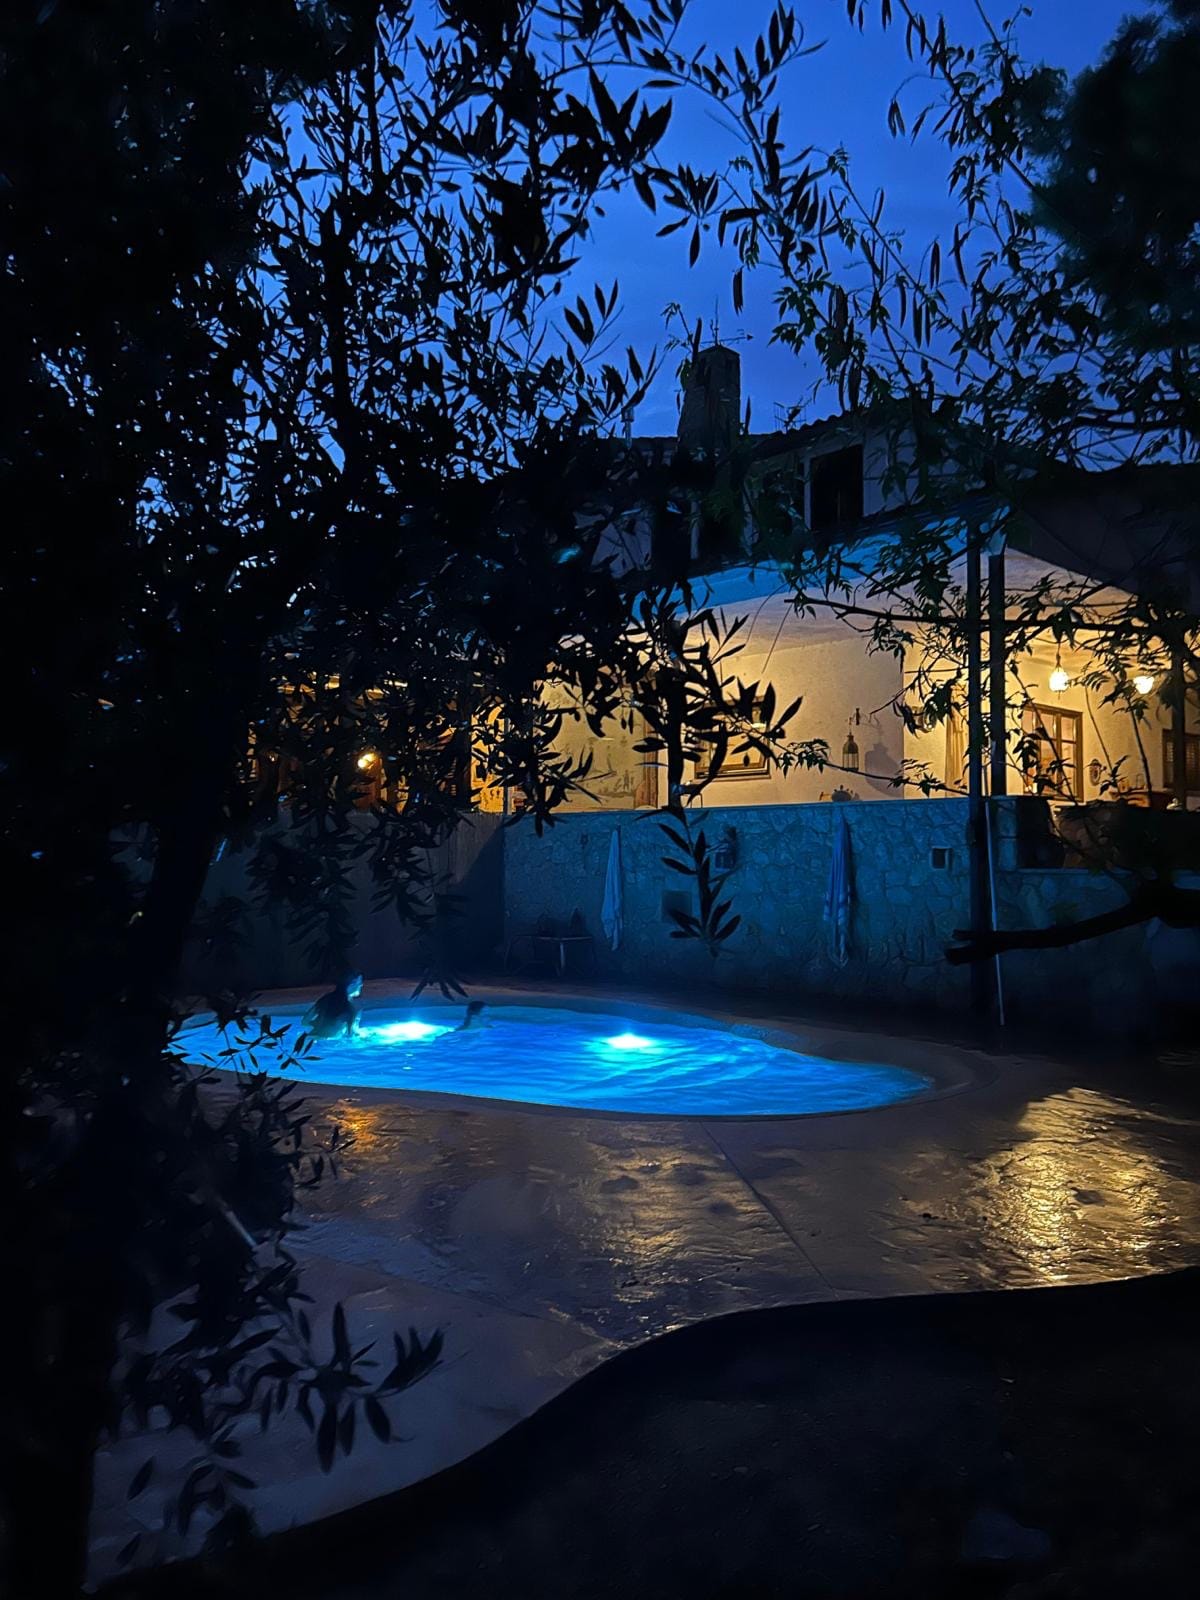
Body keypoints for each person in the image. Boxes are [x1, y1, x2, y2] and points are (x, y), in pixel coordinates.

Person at [304, 974, 363, 1039]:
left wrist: (317, 1024)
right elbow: (350, 1035)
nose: (361, 985)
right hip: (328, 1041)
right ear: (351, 984)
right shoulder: (350, 1008)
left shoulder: (325, 999)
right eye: (359, 983)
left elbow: (304, 1021)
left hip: (310, 1037)